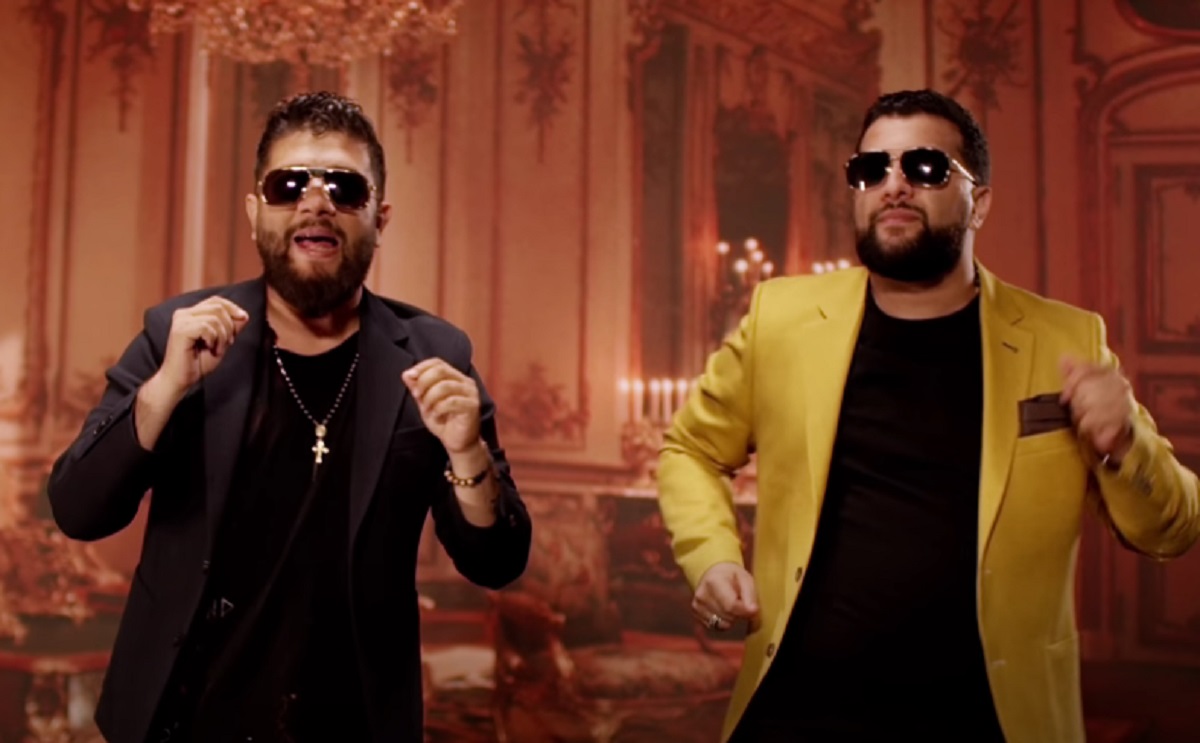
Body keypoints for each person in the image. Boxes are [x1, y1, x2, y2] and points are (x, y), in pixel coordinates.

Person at [656, 89, 1200, 743]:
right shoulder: (782, 318)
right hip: (800, 709)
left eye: (925, 167)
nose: (894, 186)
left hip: (985, 716)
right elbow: (690, 450)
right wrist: (712, 558)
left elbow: (1173, 530)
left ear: (980, 202)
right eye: (871, 169)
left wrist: (1125, 445)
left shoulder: (1064, 340)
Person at [47, 91, 532, 743]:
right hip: (183, 719)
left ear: (380, 218)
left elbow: (497, 561)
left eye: (344, 187)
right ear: (255, 214)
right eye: (289, 184)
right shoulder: (178, 335)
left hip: (353, 724)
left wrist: (467, 453)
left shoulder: (435, 354)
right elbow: (78, 509)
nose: (316, 201)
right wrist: (165, 389)